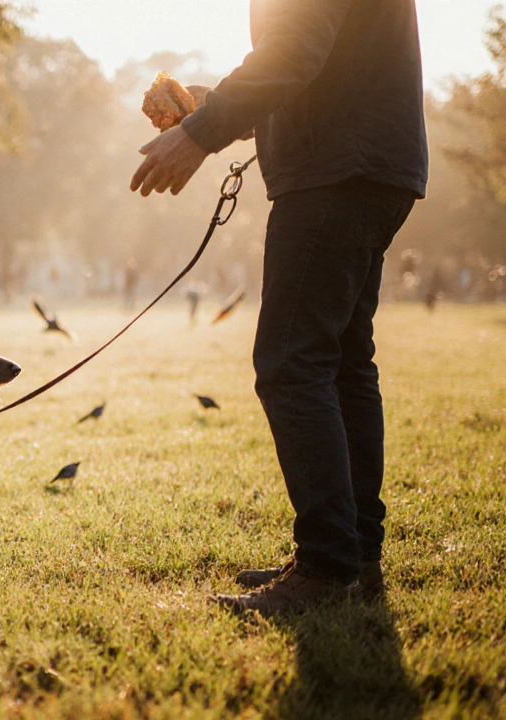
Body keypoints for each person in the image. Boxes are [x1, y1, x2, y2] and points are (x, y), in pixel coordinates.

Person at [132, 0, 428, 615]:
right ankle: (354, 557)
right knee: (344, 364)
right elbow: (312, 65)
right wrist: (206, 107)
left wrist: (198, 134)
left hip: (335, 172)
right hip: (372, 164)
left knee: (292, 364)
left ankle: (326, 568)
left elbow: (292, 55)